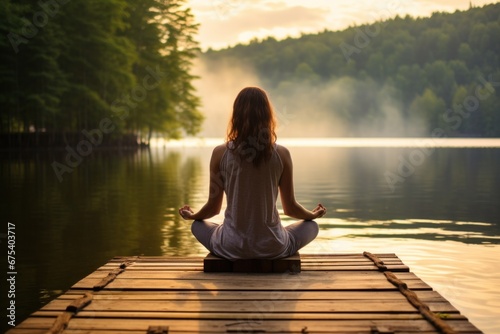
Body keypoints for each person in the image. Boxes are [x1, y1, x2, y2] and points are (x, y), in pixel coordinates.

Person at [179, 87, 326, 260]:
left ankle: (237, 239)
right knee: (312, 227)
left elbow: (213, 208)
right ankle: (275, 236)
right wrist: (312, 215)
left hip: (230, 247)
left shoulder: (220, 153)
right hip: (272, 248)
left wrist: (193, 216)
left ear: (236, 116)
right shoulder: (282, 154)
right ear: (267, 116)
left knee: (197, 226)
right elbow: (290, 208)